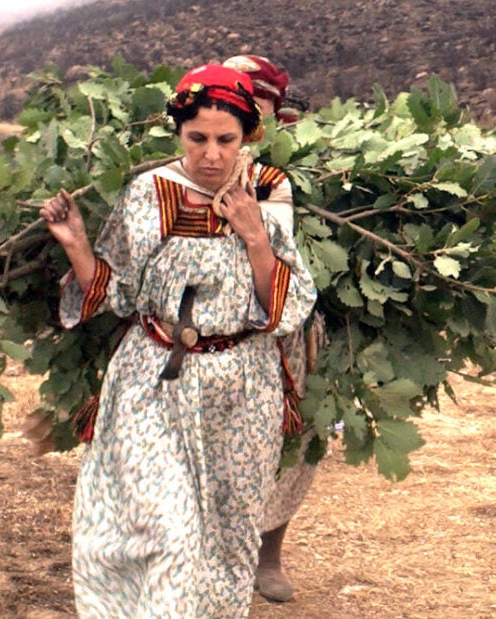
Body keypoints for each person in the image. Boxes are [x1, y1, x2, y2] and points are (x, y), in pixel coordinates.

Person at [39, 63, 317, 618]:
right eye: (197, 139)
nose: (211, 154)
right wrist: (76, 246)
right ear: (179, 133)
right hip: (154, 379)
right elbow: (117, 293)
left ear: (249, 136)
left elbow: (284, 306)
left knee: (225, 540)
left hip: (242, 387)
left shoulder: (267, 190)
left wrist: (254, 232)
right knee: (168, 531)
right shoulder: (150, 192)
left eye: (225, 140)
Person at [223, 54, 318, 604]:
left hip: (284, 324)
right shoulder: (195, 150)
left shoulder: (294, 167)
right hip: (207, 330)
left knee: (291, 442)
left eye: (256, 97)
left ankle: (269, 552)